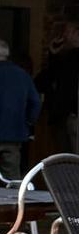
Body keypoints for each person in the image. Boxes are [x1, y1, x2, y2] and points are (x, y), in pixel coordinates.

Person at [0, 39, 41, 179]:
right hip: (15, 134)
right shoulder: (22, 74)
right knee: (12, 177)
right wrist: (28, 122)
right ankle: (14, 200)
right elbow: (35, 102)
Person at [35, 18, 79, 154]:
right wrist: (54, 55)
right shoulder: (64, 59)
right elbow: (41, 83)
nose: (63, 37)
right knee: (66, 158)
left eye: (67, 33)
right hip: (63, 117)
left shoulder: (71, 57)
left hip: (72, 116)